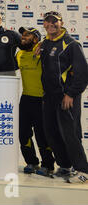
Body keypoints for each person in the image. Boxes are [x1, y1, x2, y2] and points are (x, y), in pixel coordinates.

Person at [39, 11, 88, 183]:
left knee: (70, 134)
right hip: (49, 97)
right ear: (44, 23)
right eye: (47, 21)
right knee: (51, 132)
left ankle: (83, 171)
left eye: (55, 22)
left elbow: (82, 74)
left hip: (66, 97)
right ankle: (65, 166)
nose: (51, 24)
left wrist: (71, 94)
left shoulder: (71, 44)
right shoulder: (45, 42)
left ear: (61, 23)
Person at [16, 27, 55, 176]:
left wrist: (42, 45)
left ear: (36, 39)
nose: (23, 37)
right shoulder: (20, 54)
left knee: (42, 134)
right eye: (23, 35)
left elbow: (53, 45)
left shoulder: (42, 53)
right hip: (26, 98)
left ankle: (48, 165)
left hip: (42, 100)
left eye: (27, 35)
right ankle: (31, 162)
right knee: (23, 133)